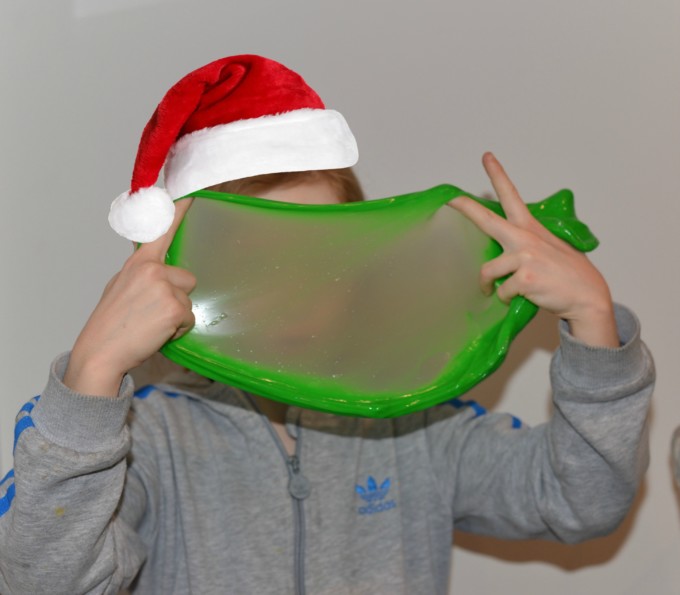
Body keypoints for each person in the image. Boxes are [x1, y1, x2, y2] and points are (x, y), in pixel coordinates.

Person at [0, 56, 654, 594]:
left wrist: (593, 323)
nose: (295, 290)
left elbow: (581, 500)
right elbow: (40, 581)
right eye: (254, 260)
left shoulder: (413, 418)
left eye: (323, 258)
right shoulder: (144, 433)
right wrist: (89, 384)